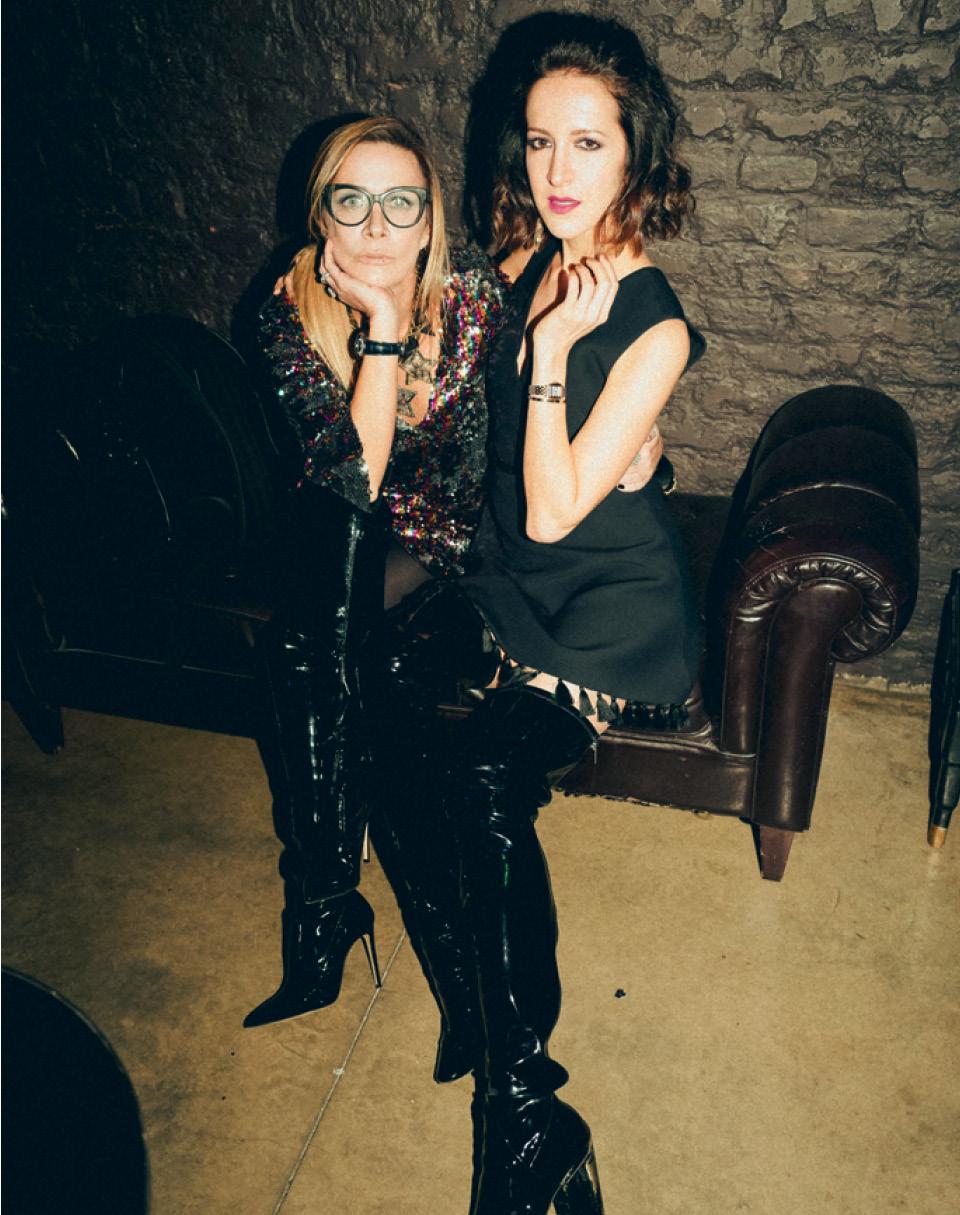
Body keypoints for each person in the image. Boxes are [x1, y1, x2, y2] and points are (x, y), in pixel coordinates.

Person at [244, 113, 662, 1085]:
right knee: (367, 680)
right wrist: (380, 333)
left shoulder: (473, 294)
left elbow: (567, 388)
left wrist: (645, 447)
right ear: (319, 216)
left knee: (316, 649)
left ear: (431, 220)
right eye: (352, 201)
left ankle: (325, 906)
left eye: (403, 203)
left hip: (466, 550)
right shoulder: (284, 312)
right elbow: (352, 484)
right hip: (362, 552)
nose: (376, 227)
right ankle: (458, 984)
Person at [443, 17, 706, 1213]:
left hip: (607, 608)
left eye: (587, 143)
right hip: (506, 578)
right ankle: (483, 1004)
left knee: (489, 777)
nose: (556, 170)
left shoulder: (654, 324)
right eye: (541, 139)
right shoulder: (518, 258)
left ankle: (526, 1112)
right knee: (375, 696)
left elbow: (555, 512)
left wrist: (553, 349)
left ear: (635, 154)